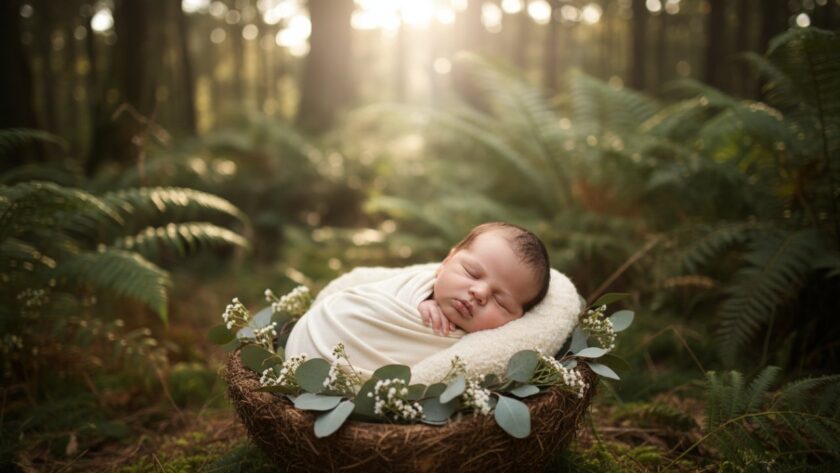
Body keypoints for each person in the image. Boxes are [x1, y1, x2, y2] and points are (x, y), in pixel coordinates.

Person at [284, 222, 551, 378]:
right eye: (471, 272)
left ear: (517, 320)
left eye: (501, 302)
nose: (479, 293)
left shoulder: (484, 349)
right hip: (323, 330)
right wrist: (421, 301)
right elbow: (380, 298)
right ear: (446, 262)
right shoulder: (416, 285)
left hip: (343, 385)